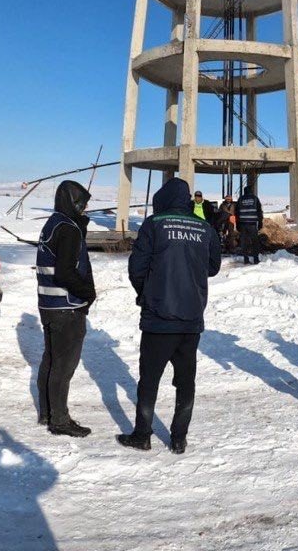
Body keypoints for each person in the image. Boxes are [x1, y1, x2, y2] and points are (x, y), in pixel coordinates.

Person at [119, 177, 222, 455]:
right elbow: (213, 267)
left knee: (149, 379)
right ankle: (179, 439)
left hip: (159, 318)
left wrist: (147, 293)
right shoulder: (205, 227)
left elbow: (137, 267)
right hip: (191, 318)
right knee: (185, 381)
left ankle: (142, 435)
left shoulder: (154, 224)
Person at [35, 180, 97, 437]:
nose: (85, 209)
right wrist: (88, 293)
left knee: (50, 360)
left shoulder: (53, 223)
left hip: (49, 305)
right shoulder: (68, 229)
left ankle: (47, 412)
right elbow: (65, 272)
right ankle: (59, 420)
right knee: (63, 366)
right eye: (82, 204)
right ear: (73, 203)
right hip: (66, 306)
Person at [235, 185, 264, 265]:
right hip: (252, 224)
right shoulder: (255, 198)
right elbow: (259, 211)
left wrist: (237, 224)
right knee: (254, 242)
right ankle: (256, 259)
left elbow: (237, 212)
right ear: (251, 191)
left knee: (244, 242)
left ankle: (246, 259)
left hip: (243, 224)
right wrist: (260, 222)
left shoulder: (240, 199)